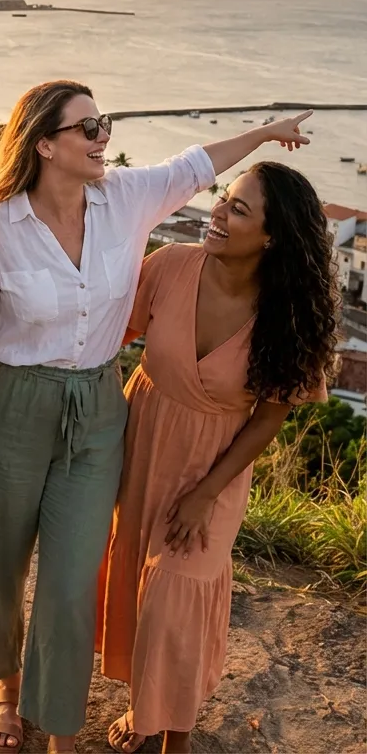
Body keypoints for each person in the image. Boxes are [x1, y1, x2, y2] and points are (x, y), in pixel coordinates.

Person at [0, 80, 313, 754]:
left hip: (98, 408)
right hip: (13, 397)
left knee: (71, 580)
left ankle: (61, 725)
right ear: (45, 143)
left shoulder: (125, 197)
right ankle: (6, 694)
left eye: (105, 124)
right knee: (0, 564)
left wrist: (265, 133)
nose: (104, 138)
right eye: (89, 128)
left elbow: (196, 164)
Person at [99, 163, 336, 754]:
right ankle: (144, 708)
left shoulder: (288, 314)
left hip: (218, 462)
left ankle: (174, 738)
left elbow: (270, 416)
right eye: (223, 200)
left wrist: (206, 493)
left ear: (272, 236)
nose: (218, 214)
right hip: (143, 437)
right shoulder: (170, 266)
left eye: (238, 210)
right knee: (140, 587)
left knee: (178, 592)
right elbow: (105, 337)